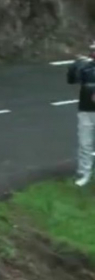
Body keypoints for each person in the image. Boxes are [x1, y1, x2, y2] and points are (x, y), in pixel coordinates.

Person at [67, 41, 95, 186]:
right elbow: (71, 80)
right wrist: (74, 65)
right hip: (86, 110)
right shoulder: (85, 68)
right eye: (93, 50)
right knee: (85, 144)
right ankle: (85, 173)